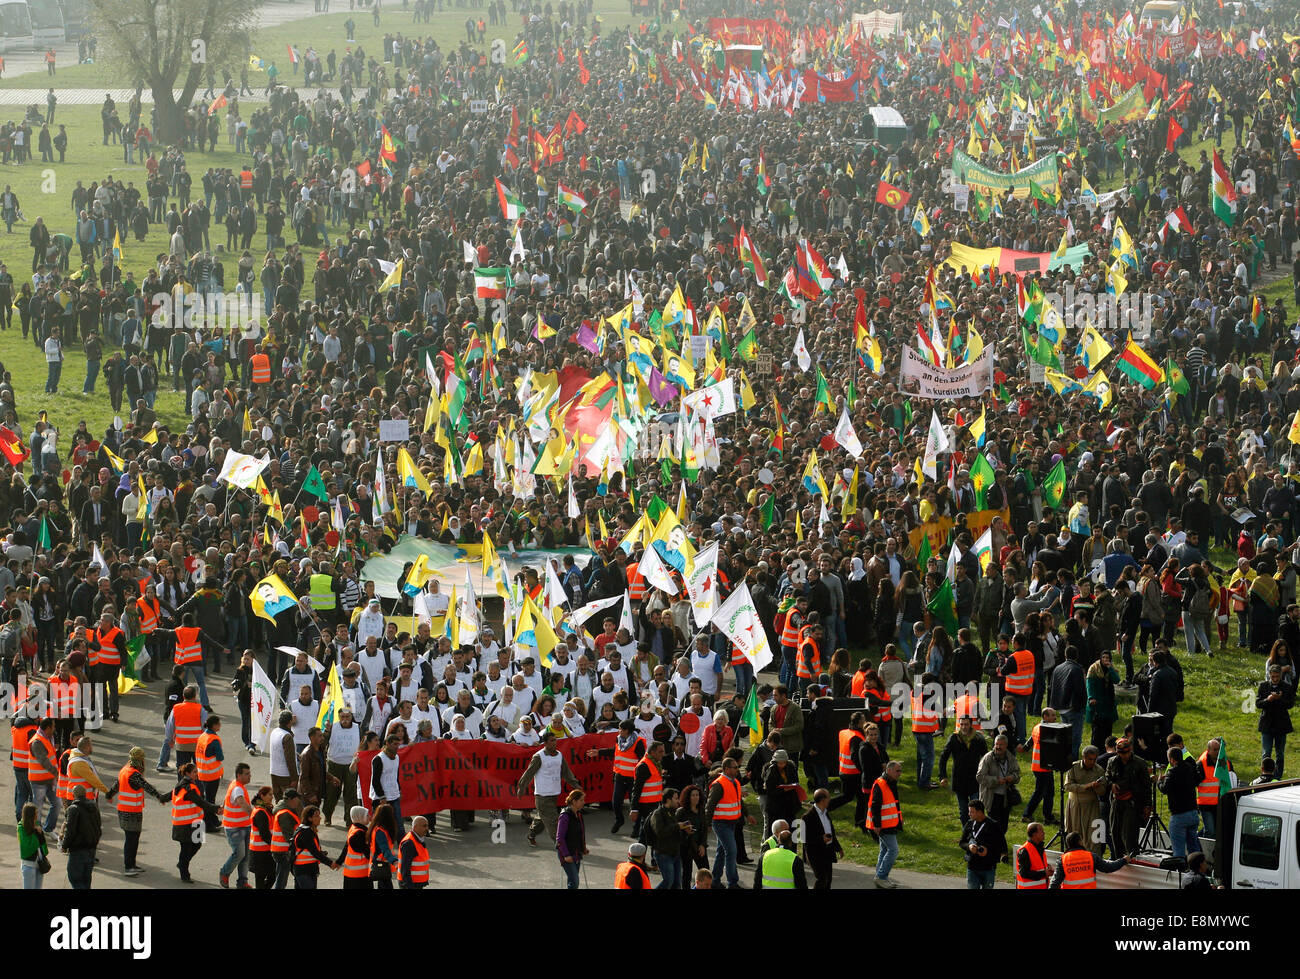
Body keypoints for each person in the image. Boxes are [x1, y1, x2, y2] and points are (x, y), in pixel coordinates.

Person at [106, 745, 167, 876]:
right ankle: (128, 867)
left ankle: (132, 864)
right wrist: (160, 797)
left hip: (125, 810)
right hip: (131, 812)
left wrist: (109, 795)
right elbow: (147, 787)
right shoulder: (134, 774)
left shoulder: (125, 770)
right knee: (131, 839)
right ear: (140, 760)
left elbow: (116, 785)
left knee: (133, 838)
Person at [515, 730, 582, 848]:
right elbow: (529, 773)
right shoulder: (539, 757)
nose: (554, 742)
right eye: (551, 741)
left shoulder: (559, 755)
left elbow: (566, 773)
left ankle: (531, 834)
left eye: (555, 740)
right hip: (542, 795)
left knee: (542, 817)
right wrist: (521, 787)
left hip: (554, 793)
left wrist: (576, 785)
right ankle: (560, 844)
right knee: (553, 821)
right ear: (545, 743)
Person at [707, 755, 754, 889]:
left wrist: (747, 814)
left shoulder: (735, 782)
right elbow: (709, 806)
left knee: (722, 852)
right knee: (732, 851)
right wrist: (708, 824)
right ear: (727, 769)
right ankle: (732, 883)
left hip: (731, 823)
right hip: (721, 824)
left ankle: (715, 881)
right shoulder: (719, 785)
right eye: (735, 768)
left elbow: (739, 801)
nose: (738, 770)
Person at [171, 762, 218, 882]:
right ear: (187, 773)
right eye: (194, 772)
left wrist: (161, 798)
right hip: (185, 824)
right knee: (186, 848)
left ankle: (182, 863)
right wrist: (216, 809)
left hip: (195, 821)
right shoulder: (188, 788)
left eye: (197, 771)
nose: (197, 774)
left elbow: (169, 795)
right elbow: (201, 802)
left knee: (197, 844)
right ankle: (184, 873)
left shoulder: (188, 784)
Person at [939, 716, 988, 826]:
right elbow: (943, 757)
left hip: (975, 780)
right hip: (959, 780)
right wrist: (943, 776)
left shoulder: (978, 738)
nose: (964, 727)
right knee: (964, 812)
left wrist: (986, 775)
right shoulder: (954, 738)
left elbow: (986, 757)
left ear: (971, 725)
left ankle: (977, 834)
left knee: (977, 811)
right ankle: (966, 835)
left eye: (966, 724)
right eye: (961, 724)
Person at [1158, 747, 1202, 860]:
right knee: (1194, 849)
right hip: (1193, 814)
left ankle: (1180, 873)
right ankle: (1198, 869)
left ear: (1172, 760)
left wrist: (1159, 781)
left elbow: (1164, 789)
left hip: (1179, 816)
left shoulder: (1172, 772)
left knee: (1179, 852)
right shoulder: (1189, 768)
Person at [1064, 745, 1108, 858]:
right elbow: (1068, 786)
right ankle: (1073, 858)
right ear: (1083, 757)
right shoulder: (1074, 768)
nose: (1092, 762)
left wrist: (1096, 787)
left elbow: (1103, 791)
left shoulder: (1099, 770)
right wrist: (1086, 786)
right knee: (1074, 834)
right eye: (1090, 759)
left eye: (1094, 759)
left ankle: (1094, 860)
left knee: (1094, 837)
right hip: (1075, 805)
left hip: (1092, 806)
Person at [866, 760, 904, 888]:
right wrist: (877, 824)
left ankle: (881, 876)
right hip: (883, 824)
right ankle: (881, 876)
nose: (900, 773)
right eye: (897, 771)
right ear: (889, 770)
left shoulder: (891, 782)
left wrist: (899, 818)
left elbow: (895, 803)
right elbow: (875, 806)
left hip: (889, 823)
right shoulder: (881, 784)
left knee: (885, 850)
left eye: (900, 771)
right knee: (893, 850)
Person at [1049, 831, 1128, 888]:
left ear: (1068, 845)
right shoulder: (1091, 856)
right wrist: (1124, 860)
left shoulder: (1063, 860)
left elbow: (1055, 883)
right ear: (1080, 842)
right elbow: (1108, 867)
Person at [218, 762, 254, 888]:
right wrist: (254, 817)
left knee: (245, 856)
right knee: (239, 854)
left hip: (244, 825)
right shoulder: (238, 788)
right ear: (239, 775)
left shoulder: (236, 784)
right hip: (235, 827)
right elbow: (242, 803)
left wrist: (223, 806)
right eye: (247, 774)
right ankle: (224, 873)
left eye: (249, 773)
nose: (250, 776)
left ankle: (242, 882)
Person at [1257, 664, 1295, 777]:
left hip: (1281, 725)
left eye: (1277, 676)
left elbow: (1290, 704)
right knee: (1266, 753)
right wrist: (1268, 700)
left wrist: (1279, 699)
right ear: (1269, 675)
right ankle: (1265, 776)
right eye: (1273, 676)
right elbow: (1258, 704)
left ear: (1281, 675)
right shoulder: (1263, 686)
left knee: (1280, 754)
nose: (1275, 679)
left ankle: (1278, 777)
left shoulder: (1287, 687)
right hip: (1267, 724)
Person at [800, 787, 843, 889]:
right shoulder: (807, 817)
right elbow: (803, 839)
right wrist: (821, 839)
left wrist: (839, 848)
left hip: (827, 851)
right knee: (822, 879)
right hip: (815, 853)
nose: (830, 799)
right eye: (829, 797)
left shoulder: (825, 813)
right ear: (823, 800)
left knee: (828, 880)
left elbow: (831, 832)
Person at [976, 733, 1021, 828]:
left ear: (1006, 746)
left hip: (1005, 798)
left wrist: (1012, 777)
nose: (998, 747)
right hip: (991, 797)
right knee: (994, 827)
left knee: (1004, 827)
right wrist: (996, 780)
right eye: (997, 744)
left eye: (1001, 744)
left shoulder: (1011, 758)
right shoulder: (988, 758)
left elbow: (1017, 774)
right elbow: (980, 776)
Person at [959, 799, 1007, 889]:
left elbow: (1002, 846)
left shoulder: (993, 825)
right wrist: (969, 847)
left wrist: (987, 851)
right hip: (972, 866)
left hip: (988, 867)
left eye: (971, 812)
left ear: (980, 812)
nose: (969, 814)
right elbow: (961, 842)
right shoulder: (969, 824)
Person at [290, 804, 339, 889]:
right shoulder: (306, 833)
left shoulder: (305, 830)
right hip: (304, 870)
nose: (320, 818)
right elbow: (315, 852)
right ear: (309, 818)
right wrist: (330, 863)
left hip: (304, 869)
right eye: (316, 816)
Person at [61, 784, 100, 889]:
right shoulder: (94, 806)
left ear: (73, 795)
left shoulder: (73, 809)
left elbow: (70, 831)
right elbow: (98, 827)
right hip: (91, 848)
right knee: (86, 880)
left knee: (75, 879)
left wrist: (64, 845)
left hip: (78, 850)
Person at [647, 786, 684, 889]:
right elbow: (660, 832)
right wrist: (677, 826)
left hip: (675, 852)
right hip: (663, 854)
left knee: (677, 884)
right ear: (668, 800)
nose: (678, 801)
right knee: (668, 881)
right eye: (676, 798)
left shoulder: (673, 812)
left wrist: (684, 830)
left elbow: (674, 831)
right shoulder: (658, 814)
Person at [556, 789, 587, 889]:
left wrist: (583, 848)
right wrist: (566, 854)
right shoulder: (564, 816)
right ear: (574, 801)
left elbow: (580, 834)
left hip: (576, 852)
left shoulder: (578, 815)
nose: (584, 802)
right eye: (581, 800)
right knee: (574, 881)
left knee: (573, 880)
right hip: (567, 853)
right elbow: (560, 838)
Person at [17, 801, 48, 889]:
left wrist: (40, 833)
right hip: (29, 865)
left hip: (40, 863)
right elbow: (28, 846)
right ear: (30, 815)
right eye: (35, 813)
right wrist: (35, 831)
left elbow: (42, 843)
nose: (37, 816)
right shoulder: (21, 828)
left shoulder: (36, 824)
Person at [398, 815, 431, 889]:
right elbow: (405, 869)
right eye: (424, 826)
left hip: (414, 883)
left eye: (427, 826)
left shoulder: (417, 839)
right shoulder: (409, 843)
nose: (427, 828)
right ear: (415, 827)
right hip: (410, 884)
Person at [1015, 822, 1050, 889]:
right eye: (1041, 831)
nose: (1044, 833)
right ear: (1034, 834)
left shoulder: (1040, 848)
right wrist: (1044, 873)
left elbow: (1037, 865)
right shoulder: (1024, 851)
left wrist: (1047, 867)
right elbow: (1024, 873)